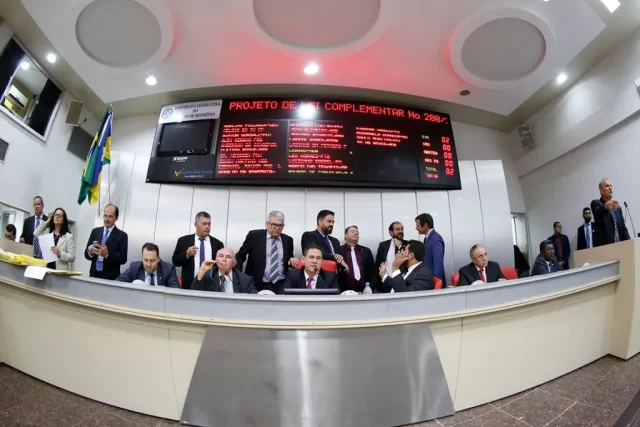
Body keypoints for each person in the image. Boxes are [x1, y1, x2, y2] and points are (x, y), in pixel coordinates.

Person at [235, 211, 298, 293]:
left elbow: (288, 259)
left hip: (281, 284)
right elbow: (240, 256)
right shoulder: (254, 236)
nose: (277, 228)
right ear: (267, 224)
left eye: (280, 225)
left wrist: (292, 259)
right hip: (257, 284)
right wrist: (239, 276)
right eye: (274, 225)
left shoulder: (288, 240)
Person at [172, 211, 224, 290]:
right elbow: (175, 261)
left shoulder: (217, 244)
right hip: (189, 286)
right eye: (204, 224)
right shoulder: (184, 240)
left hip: (211, 287)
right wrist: (187, 254)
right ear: (196, 224)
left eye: (209, 224)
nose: (207, 227)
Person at [84, 204, 128, 280]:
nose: (106, 219)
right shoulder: (95, 231)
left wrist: (107, 255)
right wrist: (90, 252)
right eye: (105, 216)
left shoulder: (122, 236)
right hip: (94, 274)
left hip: (110, 277)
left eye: (110, 216)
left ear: (116, 218)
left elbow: (123, 259)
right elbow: (86, 254)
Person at [192, 248, 257, 294]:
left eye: (228, 257)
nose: (224, 259)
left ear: (234, 263)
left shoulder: (245, 279)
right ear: (216, 260)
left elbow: (254, 298)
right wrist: (201, 271)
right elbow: (194, 294)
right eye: (221, 256)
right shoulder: (207, 276)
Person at [591, 179, 630, 247]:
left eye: (611, 186)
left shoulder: (617, 208)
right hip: (606, 247)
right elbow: (597, 212)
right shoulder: (596, 203)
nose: (610, 188)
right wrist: (606, 206)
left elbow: (622, 227)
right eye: (607, 186)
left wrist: (629, 242)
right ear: (601, 191)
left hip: (620, 246)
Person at [337, 226, 375, 293]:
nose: (356, 233)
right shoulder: (338, 250)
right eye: (352, 232)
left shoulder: (366, 251)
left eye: (357, 232)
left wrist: (371, 288)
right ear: (345, 235)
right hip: (344, 291)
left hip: (365, 291)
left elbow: (373, 272)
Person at [415, 213, 446, 286]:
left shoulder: (435, 240)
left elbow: (438, 265)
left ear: (425, 225)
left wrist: (435, 284)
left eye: (418, 226)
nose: (416, 228)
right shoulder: (428, 238)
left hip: (434, 284)